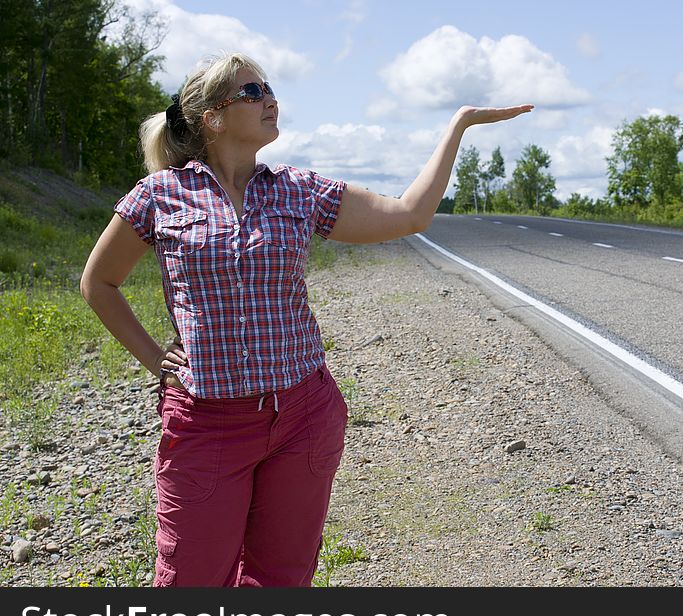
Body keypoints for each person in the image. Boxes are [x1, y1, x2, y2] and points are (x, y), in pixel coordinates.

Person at [80, 52, 532, 587]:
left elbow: (411, 214)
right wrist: (155, 358)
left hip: (302, 417)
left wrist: (458, 124)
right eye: (251, 91)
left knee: (282, 579)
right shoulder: (160, 196)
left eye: (268, 87)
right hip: (207, 421)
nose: (270, 98)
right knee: (189, 582)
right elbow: (98, 283)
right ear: (212, 117)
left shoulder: (297, 190)